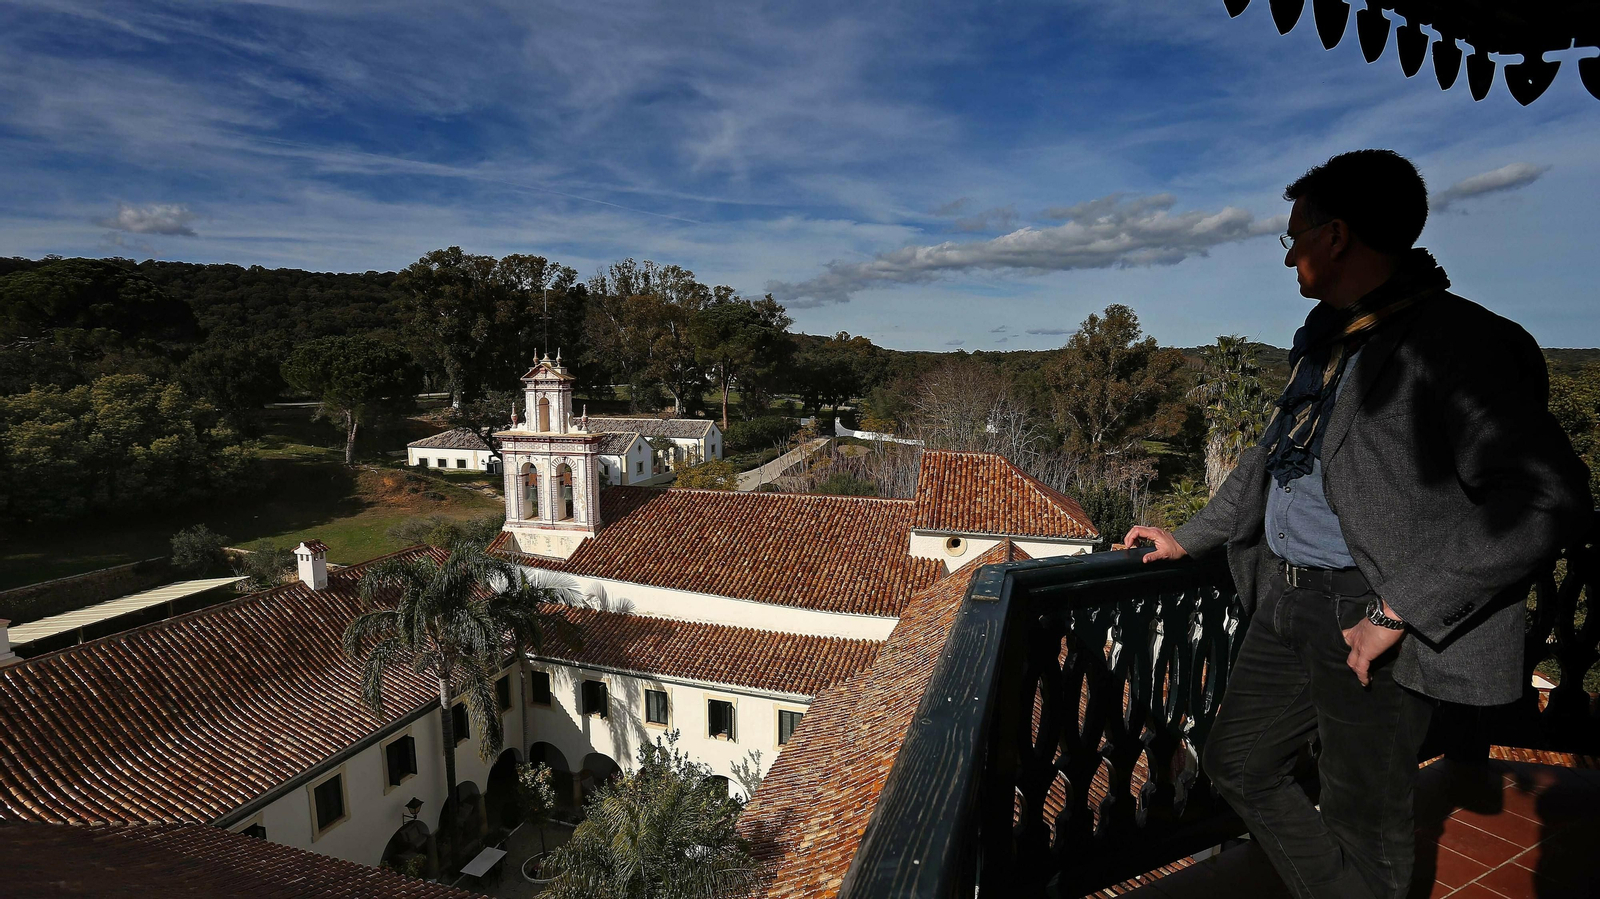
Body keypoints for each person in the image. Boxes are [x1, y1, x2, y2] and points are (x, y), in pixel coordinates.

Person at [1124, 149, 1591, 899]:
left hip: (1367, 613)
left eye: (1293, 237)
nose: (1288, 259)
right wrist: (1192, 534)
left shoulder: (1451, 344)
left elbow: (1548, 497)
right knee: (1236, 760)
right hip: (1284, 597)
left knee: (1363, 823)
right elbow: (1272, 455)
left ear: (1335, 235)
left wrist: (1399, 606)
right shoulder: (1329, 337)